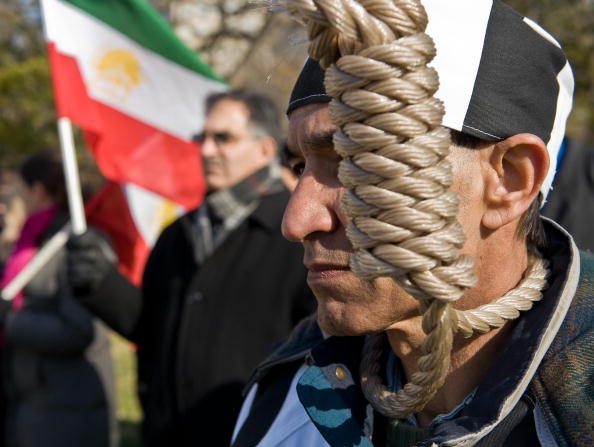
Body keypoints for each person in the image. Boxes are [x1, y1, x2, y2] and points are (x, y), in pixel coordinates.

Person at [231, 1, 592, 446]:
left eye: (357, 161)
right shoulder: (289, 391)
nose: (297, 221)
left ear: (510, 179)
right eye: (299, 164)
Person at [66, 90, 316, 446]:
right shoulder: (179, 234)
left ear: (264, 150)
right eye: (203, 137)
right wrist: (100, 283)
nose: (206, 150)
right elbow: (152, 327)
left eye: (223, 138)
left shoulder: (297, 234)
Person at [0, 151, 117, 447]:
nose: (15, 200)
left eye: (19, 191)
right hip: (33, 400)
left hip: (67, 407)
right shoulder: (32, 239)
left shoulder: (76, 244)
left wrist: (11, 320)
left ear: (37, 191)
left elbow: (78, 330)